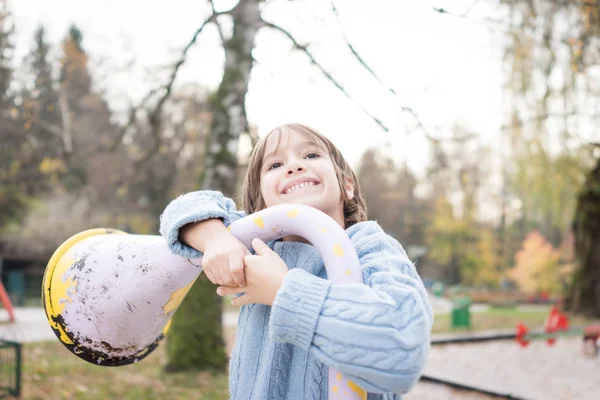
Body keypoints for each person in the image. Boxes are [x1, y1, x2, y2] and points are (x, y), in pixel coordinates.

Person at [159, 123, 433, 399]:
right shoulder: (254, 246)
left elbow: (402, 351)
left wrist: (283, 291)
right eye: (275, 164)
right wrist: (216, 238)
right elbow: (185, 206)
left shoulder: (372, 249)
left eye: (311, 155)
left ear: (346, 185)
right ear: (260, 204)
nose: (293, 167)